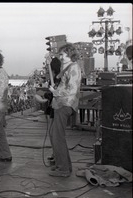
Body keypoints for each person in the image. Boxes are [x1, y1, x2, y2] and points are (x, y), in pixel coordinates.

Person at [48, 43, 82, 177]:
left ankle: (63, 169)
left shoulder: (74, 68)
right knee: (54, 135)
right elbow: (58, 75)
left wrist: (55, 92)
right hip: (61, 104)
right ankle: (63, 165)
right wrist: (50, 61)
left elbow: (72, 90)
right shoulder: (68, 67)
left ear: (69, 54)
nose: (60, 57)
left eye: (62, 54)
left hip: (65, 104)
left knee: (57, 137)